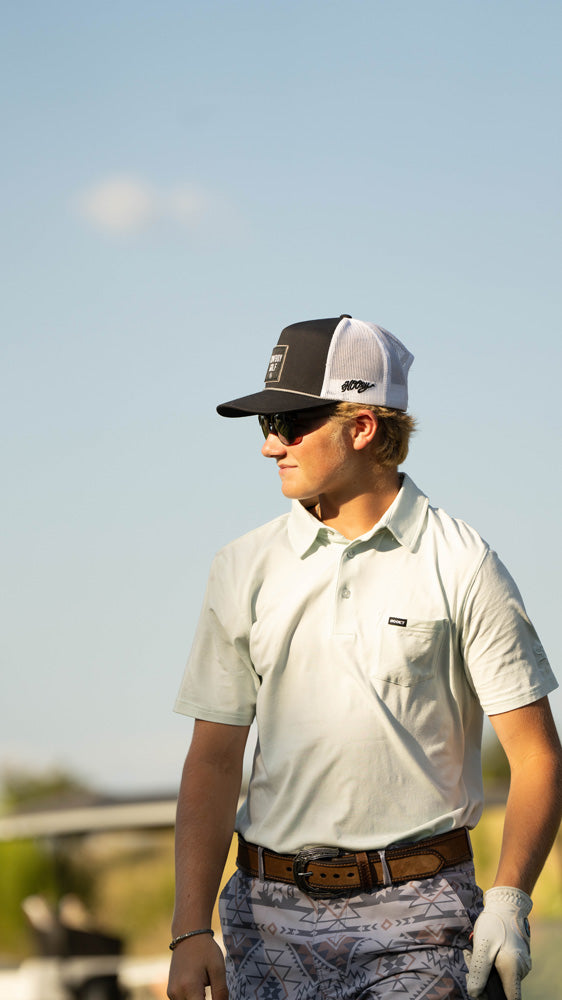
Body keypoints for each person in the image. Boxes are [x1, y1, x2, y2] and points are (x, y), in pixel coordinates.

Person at [167, 315, 562, 1000]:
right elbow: (214, 760)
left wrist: (508, 900)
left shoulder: (463, 564)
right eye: (265, 425)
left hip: (423, 920)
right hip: (264, 922)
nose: (269, 445)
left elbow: (536, 758)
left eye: (290, 423)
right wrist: (188, 929)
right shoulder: (240, 567)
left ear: (363, 427)